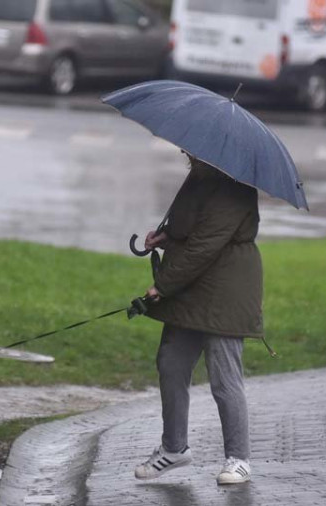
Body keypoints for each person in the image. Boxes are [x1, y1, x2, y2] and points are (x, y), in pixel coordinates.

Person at [133, 155, 263, 485]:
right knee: (171, 364)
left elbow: (205, 246)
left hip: (224, 293)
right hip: (190, 290)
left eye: (191, 152)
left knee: (224, 377)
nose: (186, 154)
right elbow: (188, 225)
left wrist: (162, 286)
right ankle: (174, 448)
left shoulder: (236, 186)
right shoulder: (200, 177)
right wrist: (164, 237)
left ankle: (239, 458)